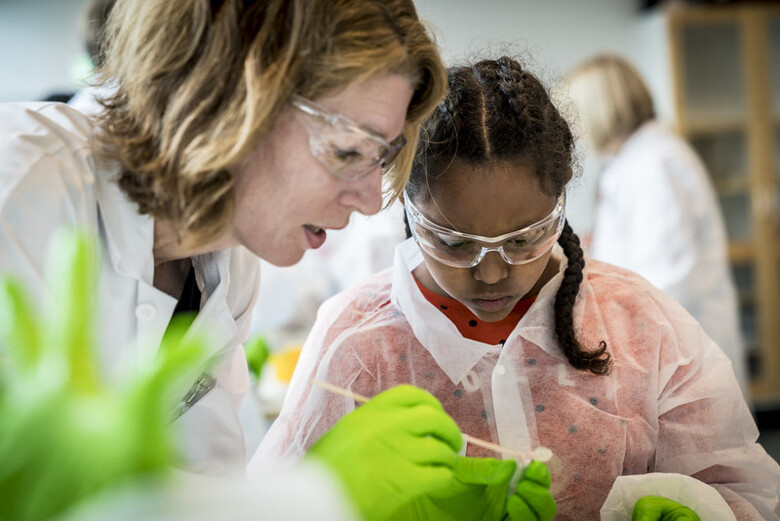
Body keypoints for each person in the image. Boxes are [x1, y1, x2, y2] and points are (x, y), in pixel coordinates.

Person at [0, 1, 509, 519]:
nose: (370, 200)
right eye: (348, 151)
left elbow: (202, 491)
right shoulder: (19, 188)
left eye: (379, 158)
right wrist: (317, 494)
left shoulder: (228, 266)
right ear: (226, 95)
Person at [256, 55, 780, 520]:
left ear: (560, 207)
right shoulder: (358, 345)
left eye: (523, 240)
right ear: (411, 216)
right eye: (456, 243)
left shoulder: (640, 322)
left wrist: (707, 510)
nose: (490, 274)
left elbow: (744, 489)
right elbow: (271, 503)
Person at [563, 53, 749, 398]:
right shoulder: (633, 160)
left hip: (679, 344)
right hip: (665, 340)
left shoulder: (653, 163)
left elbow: (666, 277)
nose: (573, 126)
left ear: (601, 107)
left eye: (576, 111)